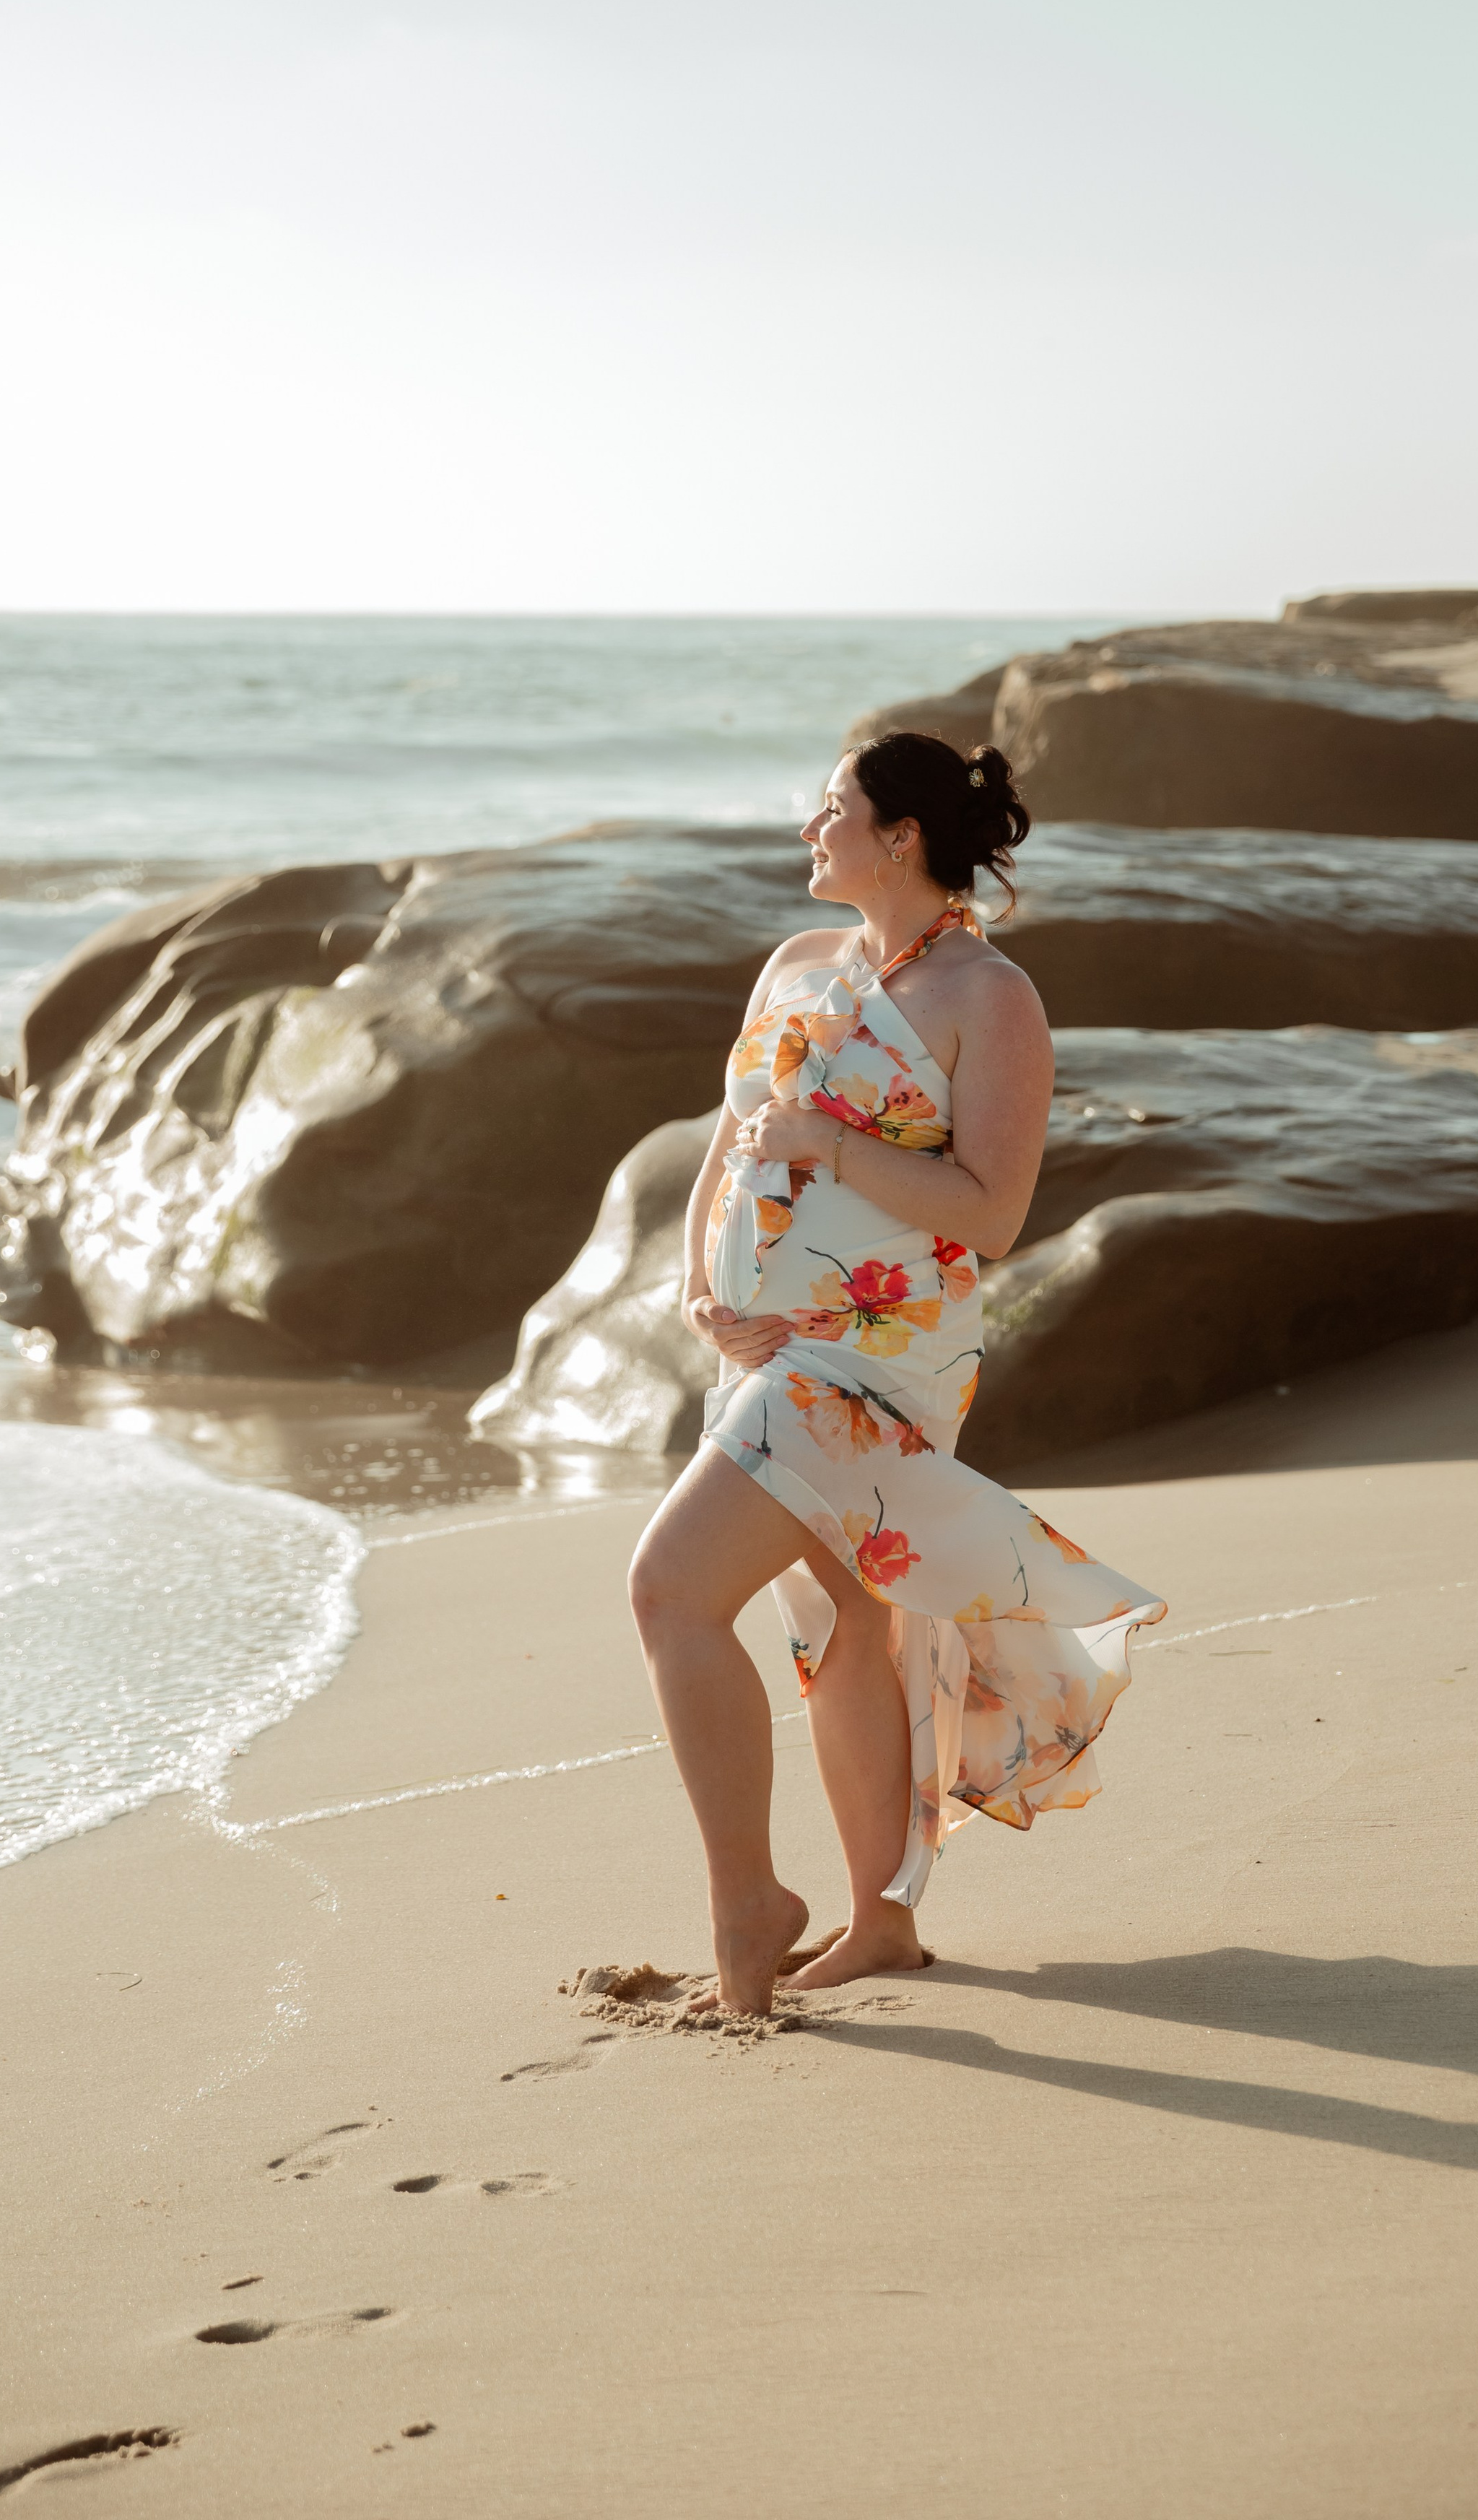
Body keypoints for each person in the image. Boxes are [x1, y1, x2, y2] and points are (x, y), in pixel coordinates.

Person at [627, 731, 1166, 2015]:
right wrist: (701, 1287)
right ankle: (883, 1920)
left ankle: (746, 1906)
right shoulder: (797, 963)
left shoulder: (991, 999)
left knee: (668, 1591)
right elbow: (731, 1139)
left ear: (901, 837)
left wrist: (828, 1139)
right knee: (845, 1625)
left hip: (878, 1353)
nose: (812, 828)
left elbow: (991, 1214)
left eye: (833, 809)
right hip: (765, 1338)